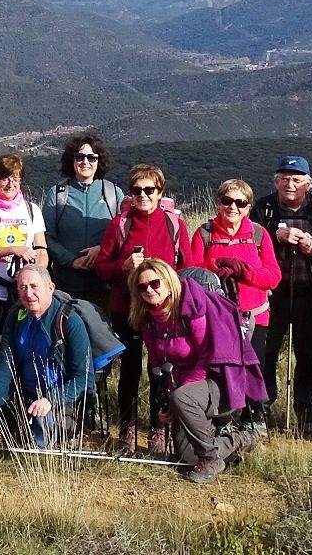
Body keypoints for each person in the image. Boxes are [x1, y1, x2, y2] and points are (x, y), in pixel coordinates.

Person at [129, 259, 265, 484]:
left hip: (219, 381)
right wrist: (167, 403)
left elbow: (207, 357)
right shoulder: (149, 321)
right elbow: (157, 364)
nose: (149, 290)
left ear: (169, 282)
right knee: (187, 456)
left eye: (155, 283)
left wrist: (181, 395)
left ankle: (211, 459)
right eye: (142, 287)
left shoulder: (191, 307)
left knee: (183, 400)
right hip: (187, 390)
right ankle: (241, 440)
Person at [93, 163, 191, 454]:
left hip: (163, 311)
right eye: (137, 190)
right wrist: (123, 266)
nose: (143, 196)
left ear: (160, 192)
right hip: (126, 309)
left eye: (150, 190)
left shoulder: (173, 224)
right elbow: (101, 267)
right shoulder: (120, 224)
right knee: (130, 369)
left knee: (161, 370)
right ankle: (127, 428)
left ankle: (159, 428)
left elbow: (187, 267)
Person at [249, 155, 312, 440]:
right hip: (272, 293)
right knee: (266, 352)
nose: (289, 184)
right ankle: (262, 408)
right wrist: (275, 236)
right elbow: (246, 240)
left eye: (296, 179)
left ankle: (307, 412)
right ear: (276, 181)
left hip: (311, 292)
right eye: (284, 179)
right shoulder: (264, 208)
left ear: (308, 182)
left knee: (311, 354)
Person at [192, 179, 281, 434]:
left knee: (255, 367)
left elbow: (273, 277)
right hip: (218, 317)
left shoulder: (258, 235)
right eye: (227, 201)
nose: (233, 207)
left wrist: (244, 272)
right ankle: (223, 419)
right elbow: (191, 275)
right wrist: (215, 272)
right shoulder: (205, 234)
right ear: (218, 204)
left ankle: (254, 417)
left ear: (248, 208)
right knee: (221, 367)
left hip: (255, 315)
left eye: (240, 203)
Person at [0, 265, 95, 448]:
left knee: (42, 421)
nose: (28, 294)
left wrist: (51, 400)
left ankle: (45, 440)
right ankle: (13, 428)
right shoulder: (16, 316)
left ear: (50, 288)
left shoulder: (70, 321)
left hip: (61, 400)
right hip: (25, 395)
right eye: (23, 287)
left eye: (34, 286)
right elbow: (4, 365)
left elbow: (84, 378)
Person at [0, 153, 48, 388]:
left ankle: (14, 394)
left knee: (20, 345)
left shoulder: (32, 210)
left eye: (16, 178)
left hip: (22, 293)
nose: (10, 183)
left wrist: (37, 274)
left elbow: (41, 249)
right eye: (4, 177)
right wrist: (15, 249)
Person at [43, 134, 123, 306]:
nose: (85, 162)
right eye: (79, 157)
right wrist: (72, 261)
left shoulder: (113, 194)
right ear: (71, 161)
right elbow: (47, 237)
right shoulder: (57, 194)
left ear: (98, 161)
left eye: (91, 157)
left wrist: (102, 249)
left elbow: (123, 234)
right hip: (66, 285)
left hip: (104, 286)